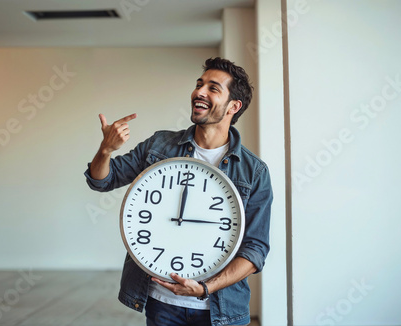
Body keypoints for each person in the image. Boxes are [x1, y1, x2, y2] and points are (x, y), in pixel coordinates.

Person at [84, 57, 273, 326]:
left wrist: (206, 288)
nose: (200, 92)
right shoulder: (159, 145)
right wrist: (105, 150)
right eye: (199, 84)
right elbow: (101, 180)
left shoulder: (254, 172)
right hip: (162, 305)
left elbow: (255, 249)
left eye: (213, 88)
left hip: (221, 309)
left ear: (234, 106)